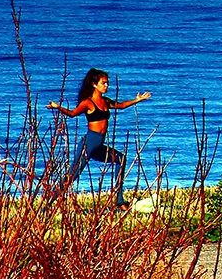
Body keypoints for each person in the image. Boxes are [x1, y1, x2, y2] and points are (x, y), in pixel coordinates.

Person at [48, 68, 150, 208]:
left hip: (98, 146)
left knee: (121, 159)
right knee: (72, 176)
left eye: (107, 83)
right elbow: (72, 114)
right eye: (104, 83)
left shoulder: (105, 101)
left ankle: (119, 201)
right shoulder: (88, 103)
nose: (107, 85)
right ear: (94, 84)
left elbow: (121, 106)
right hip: (88, 144)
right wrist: (58, 107)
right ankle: (47, 206)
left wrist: (138, 100)